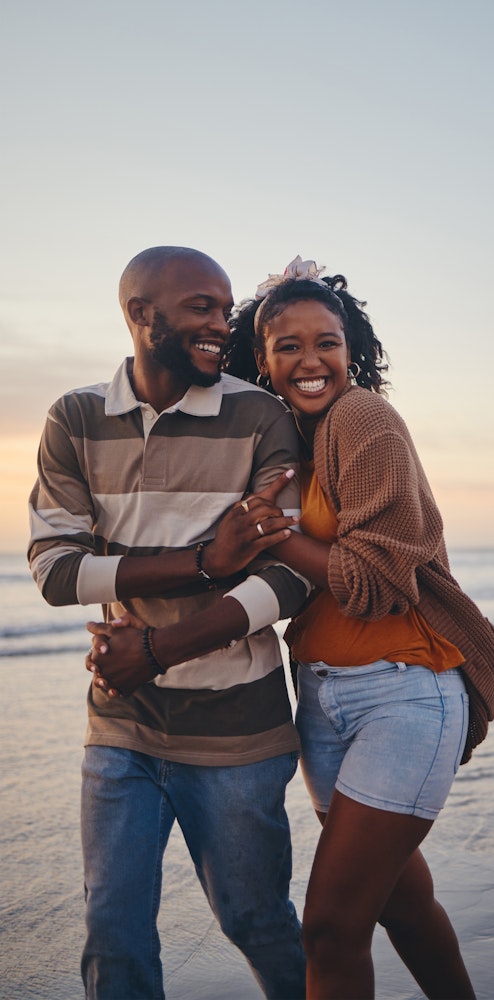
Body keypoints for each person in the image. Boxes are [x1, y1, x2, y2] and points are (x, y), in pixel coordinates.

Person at [219, 256, 494, 1000]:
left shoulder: (362, 417)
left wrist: (271, 535)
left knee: (328, 928)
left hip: (403, 691)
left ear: (352, 351)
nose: (310, 360)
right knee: (398, 902)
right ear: (262, 360)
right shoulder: (284, 435)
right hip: (322, 699)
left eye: (327, 342)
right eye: (287, 346)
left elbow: (377, 582)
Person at [27, 246, 309, 1000]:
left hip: (238, 727)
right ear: (141, 313)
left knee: (255, 919)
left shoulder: (260, 415)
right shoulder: (77, 418)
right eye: (201, 308)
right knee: (112, 938)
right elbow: (54, 570)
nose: (223, 324)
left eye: (224, 308)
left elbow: (288, 577)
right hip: (121, 721)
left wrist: (155, 648)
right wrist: (205, 563)